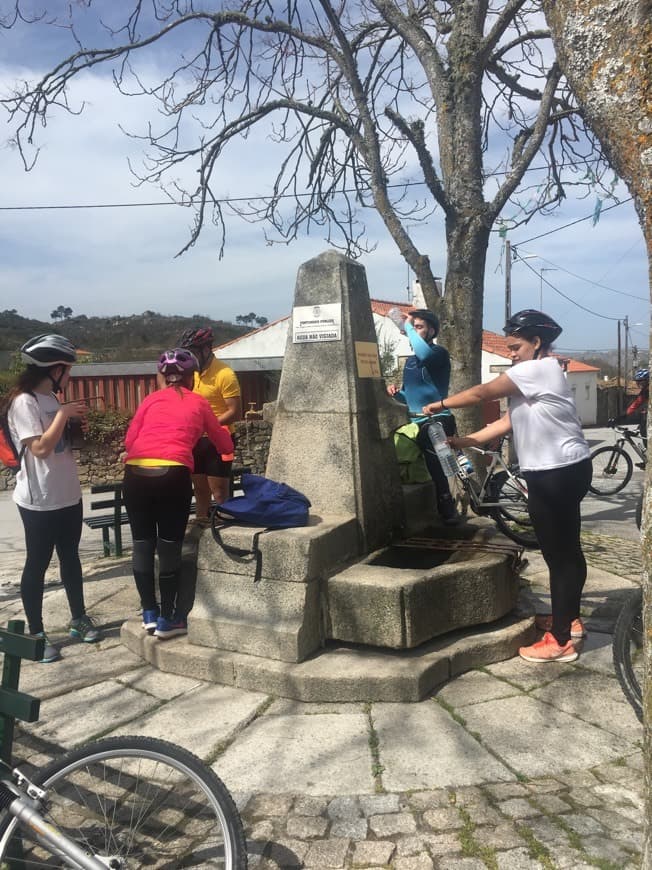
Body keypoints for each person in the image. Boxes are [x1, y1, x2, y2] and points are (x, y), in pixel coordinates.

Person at [423, 309, 592, 664]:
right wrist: (463, 441)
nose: (512, 353)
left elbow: (481, 393)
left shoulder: (536, 369)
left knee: (559, 556)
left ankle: (560, 641)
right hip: (566, 469)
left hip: (553, 473)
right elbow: (504, 423)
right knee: (566, 551)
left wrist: (438, 404)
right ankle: (569, 619)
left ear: (537, 342)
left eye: (516, 346)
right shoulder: (538, 377)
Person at [123, 348, 233, 640]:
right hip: (172, 473)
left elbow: (130, 439)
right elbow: (221, 438)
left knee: (142, 544)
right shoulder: (198, 402)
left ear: (164, 377)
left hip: (134, 473)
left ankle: (148, 612)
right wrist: (226, 452)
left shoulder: (149, 400)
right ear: (192, 377)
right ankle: (168, 619)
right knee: (169, 545)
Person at [4, 334, 102, 663]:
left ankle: (78, 618)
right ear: (55, 369)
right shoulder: (25, 402)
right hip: (39, 500)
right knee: (38, 564)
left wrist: (72, 423)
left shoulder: (52, 400)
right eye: (68, 369)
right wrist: (63, 415)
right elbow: (41, 449)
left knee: (71, 559)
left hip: (68, 495)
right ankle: (36, 631)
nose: (70, 375)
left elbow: (61, 446)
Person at [387, 308, 459, 524]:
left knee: (435, 450)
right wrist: (396, 393)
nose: (413, 331)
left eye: (419, 327)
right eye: (413, 327)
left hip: (437, 419)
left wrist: (407, 325)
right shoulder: (410, 362)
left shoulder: (438, 353)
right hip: (415, 420)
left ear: (431, 331)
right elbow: (410, 396)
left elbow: (424, 354)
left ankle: (448, 505)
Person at [178, 327, 242, 523]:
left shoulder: (225, 374)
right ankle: (201, 526)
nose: (192, 357)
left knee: (219, 490)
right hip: (196, 440)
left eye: (194, 352)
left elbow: (234, 411)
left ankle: (226, 527)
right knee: (199, 488)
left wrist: (208, 426)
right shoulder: (192, 374)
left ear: (207, 349)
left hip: (220, 439)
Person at [615, 368, 648, 451]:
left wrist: (623, 415)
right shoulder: (645, 390)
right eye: (637, 381)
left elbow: (636, 404)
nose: (638, 383)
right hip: (644, 418)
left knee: (646, 435)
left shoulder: (647, 391)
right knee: (644, 433)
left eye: (640, 381)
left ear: (646, 381)